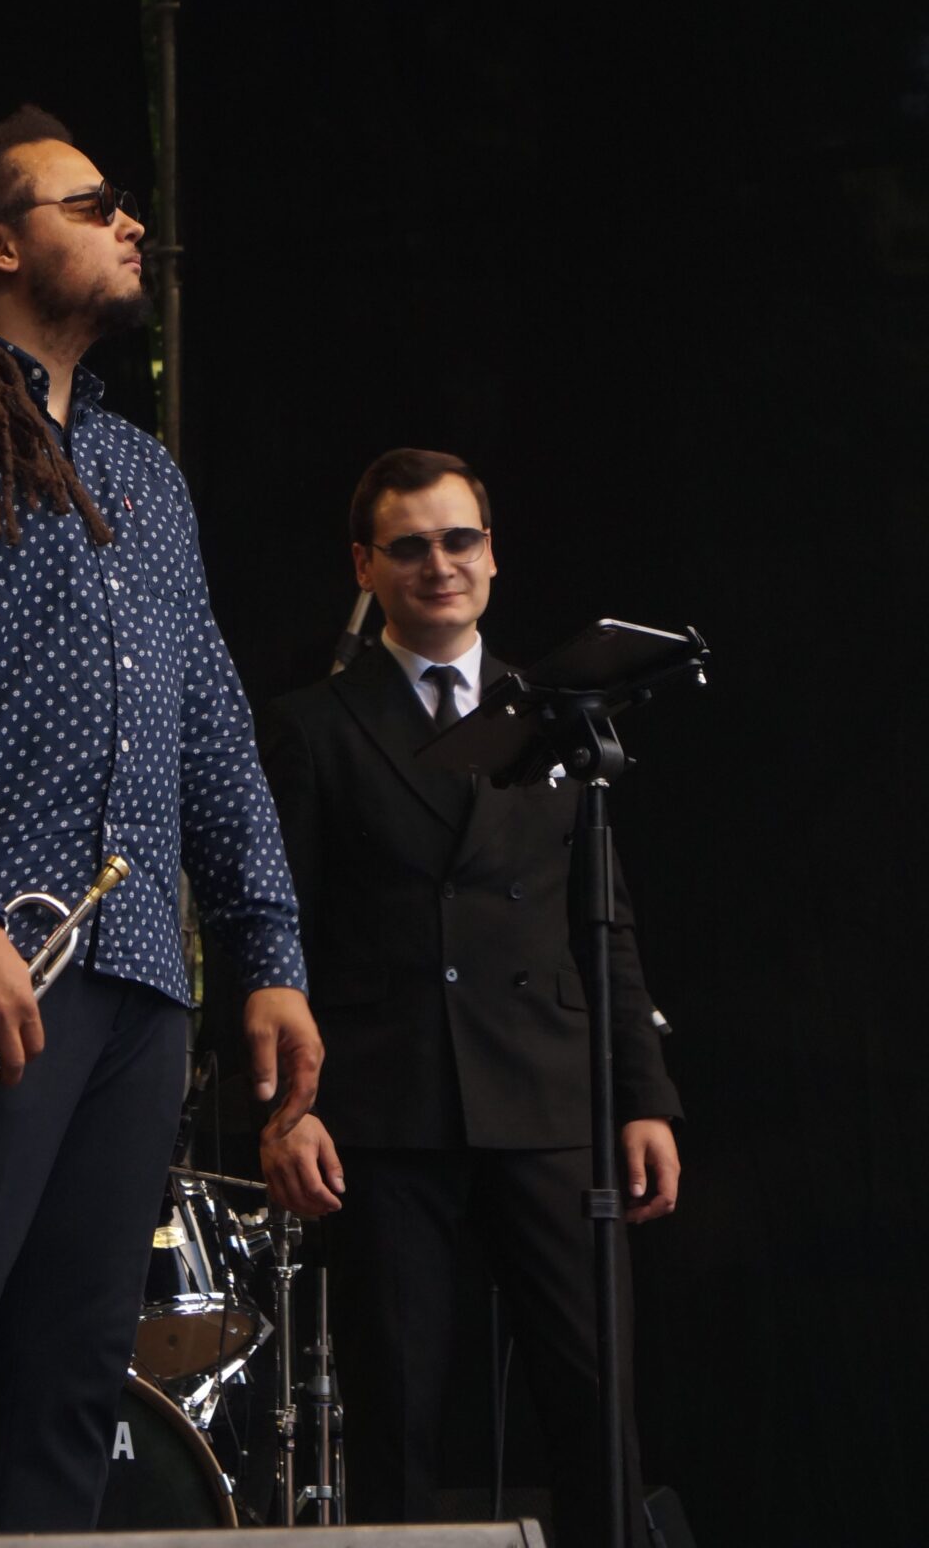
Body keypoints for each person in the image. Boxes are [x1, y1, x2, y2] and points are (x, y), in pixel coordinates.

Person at [0, 105, 321, 1535]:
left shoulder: (145, 474)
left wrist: (268, 955)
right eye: (92, 205)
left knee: (75, 1371)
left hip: (138, 974)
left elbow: (211, 724)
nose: (130, 222)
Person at [260, 446, 680, 1548]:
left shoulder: (563, 714)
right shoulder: (314, 723)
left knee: (597, 1406)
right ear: (366, 566)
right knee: (396, 1419)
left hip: (548, 1095)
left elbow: (604, 923)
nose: (438, 564)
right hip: (386, 1107)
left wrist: (643, 1097)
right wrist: (288, 1110)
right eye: (409, 546)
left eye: (459, 540)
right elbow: (272, 926)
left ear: (492, 554)